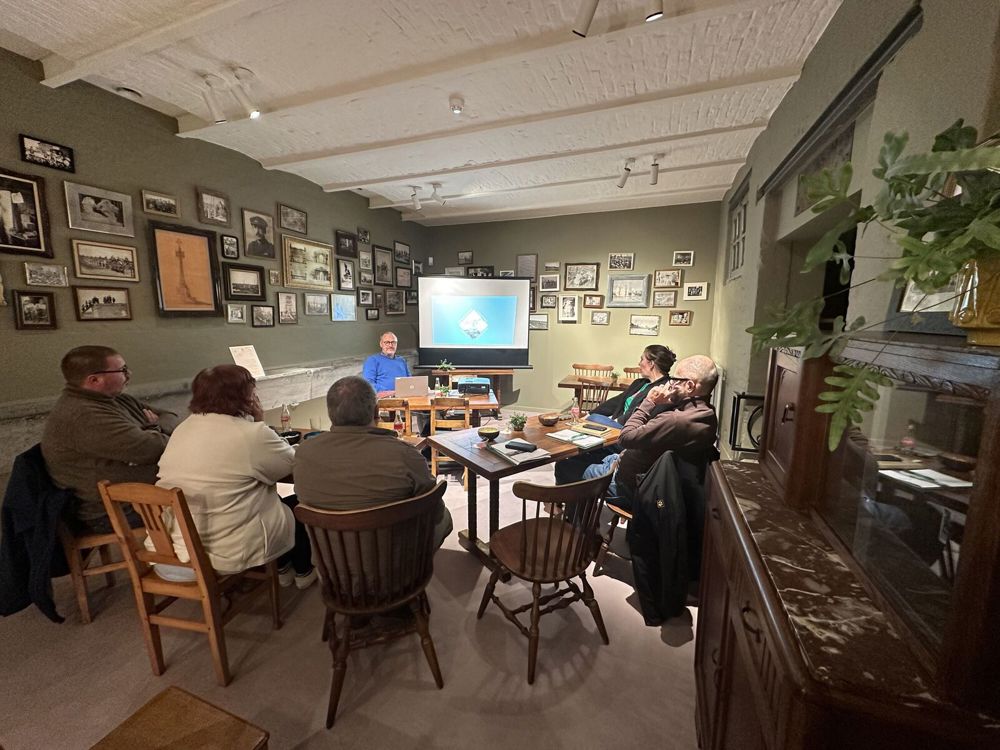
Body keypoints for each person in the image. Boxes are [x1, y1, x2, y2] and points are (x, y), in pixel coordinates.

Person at [153, 365, 315, 587]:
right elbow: (292, 464)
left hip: (172, 545)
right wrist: (259, 422)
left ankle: (283, 567)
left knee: (266, 500)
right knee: (297, 503)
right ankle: (302, 571)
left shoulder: (183, 428)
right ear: (246, 397)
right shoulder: (251, 434)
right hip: (225, 550)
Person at [294, 376, 452, 548]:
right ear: (376, 412)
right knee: (445, 517)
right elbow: (435, 514)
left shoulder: (303, 453)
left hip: (333, 568)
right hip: (398, 565)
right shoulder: (405, 455)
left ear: (330, 413)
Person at [41, 346, 180, 533]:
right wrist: (153, 428)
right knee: (213, 502)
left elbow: (171, 416)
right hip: (114, 509)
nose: (129, 374)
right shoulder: (84, 415)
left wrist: (152, 430)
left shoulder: (117, 400)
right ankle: (186, 559)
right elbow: (153, 449)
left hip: (142, 493)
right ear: (94, 380)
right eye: (122, 370)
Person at [581, 355, 719, 507]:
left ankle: (580, 527)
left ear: (690, 386)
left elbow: (625, 437)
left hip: (633, 488)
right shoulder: (708, 415)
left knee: (582, 471)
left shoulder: (675, 420)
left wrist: (649, 402)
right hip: (646, 475)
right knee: (600, 453)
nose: (671, 384)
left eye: (675, 379)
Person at [554, 344, 676, 485]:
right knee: (586, 429)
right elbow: (616, 401)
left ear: (651, 363)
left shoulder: (661, 389)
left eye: (642, 359)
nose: (639, 363)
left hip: (626, 435)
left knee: (594, 421)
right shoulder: (640, 382)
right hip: (614, 428)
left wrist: (602, 419)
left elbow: (640, 416)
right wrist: (589, 413)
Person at [361, 331, 410, 398]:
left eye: (393, 342)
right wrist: (391, 392)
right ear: (381, 344)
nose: (390, 345)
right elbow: (367, 383)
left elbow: (410, 380)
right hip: (384, 400)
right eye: (387, 342)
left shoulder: (401, 361)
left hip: (404, 397)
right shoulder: (372, 360)